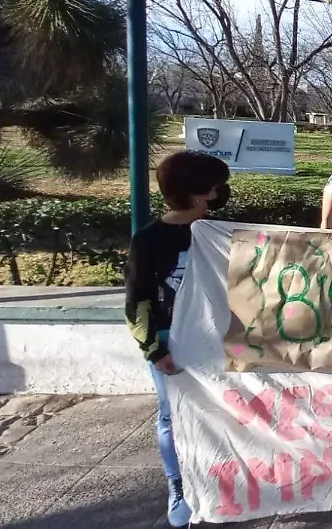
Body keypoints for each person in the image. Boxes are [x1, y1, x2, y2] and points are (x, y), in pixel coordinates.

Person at [125, 151, 230, 528]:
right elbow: (137, 300)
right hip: (172, 341)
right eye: (215, 186)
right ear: (198, 193)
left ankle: (221, 481)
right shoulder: (148, 240)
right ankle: (179, 486)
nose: (221, 192)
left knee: (223, 411)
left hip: (217, 338)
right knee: (172, 415)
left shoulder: (216, 233)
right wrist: (154, 349)